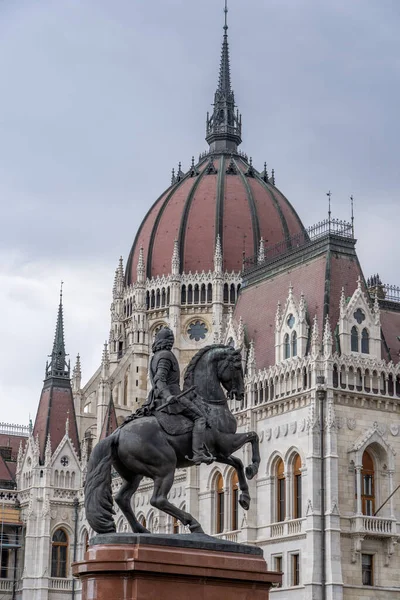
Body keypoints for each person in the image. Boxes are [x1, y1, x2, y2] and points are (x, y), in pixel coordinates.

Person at [144, 327, 214, 465]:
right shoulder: (166, 355)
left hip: (159, 397)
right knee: (200, 417)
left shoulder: (155, 357)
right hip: (171, 396)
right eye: (171, 339)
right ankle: (198, 453)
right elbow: (159, 378)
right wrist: (168, 395)